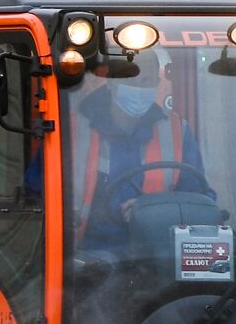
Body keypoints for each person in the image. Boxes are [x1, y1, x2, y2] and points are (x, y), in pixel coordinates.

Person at [76, 48, 210, 250]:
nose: (138, 88)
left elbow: (200, 199)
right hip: (85, 257)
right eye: (130, 78)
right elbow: (39, 194)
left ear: (157, 84)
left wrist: (154, 209)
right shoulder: (72, 129)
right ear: (112, 81)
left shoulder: (176, 131)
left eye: (146, 81)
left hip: (158, 256)